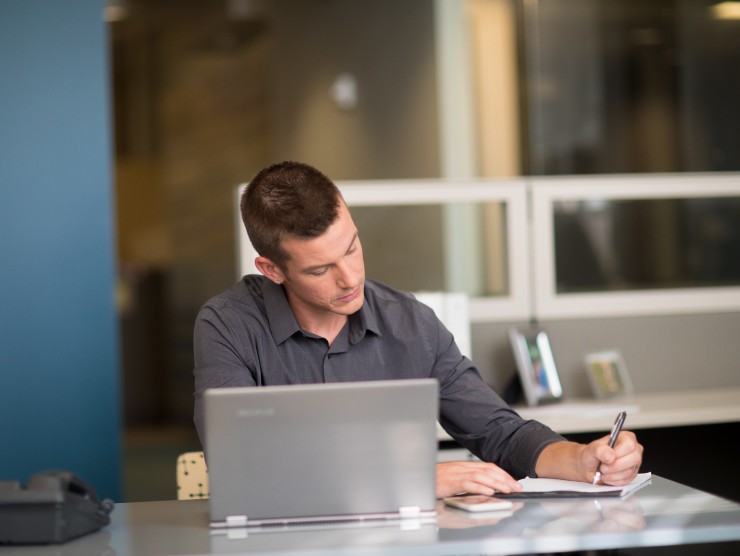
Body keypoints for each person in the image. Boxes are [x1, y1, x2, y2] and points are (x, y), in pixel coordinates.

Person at [193, 161, 643, 499]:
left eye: (352, 248)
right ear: (271, 270)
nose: (350, 278)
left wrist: (580, 459)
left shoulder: (409, 322)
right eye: (320, 270)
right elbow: (243, 469)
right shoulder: (228, 327)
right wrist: (412, 478)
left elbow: (500, 433)